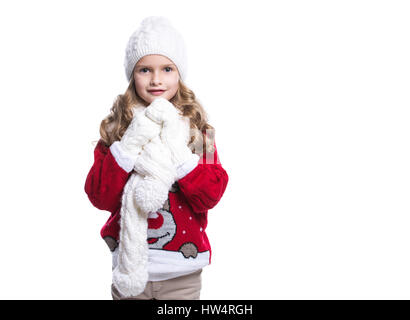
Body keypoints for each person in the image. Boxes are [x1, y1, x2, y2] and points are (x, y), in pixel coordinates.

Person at [84, 16, 229, 300]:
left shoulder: (201, 133)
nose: (156, 79)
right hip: (129, 272)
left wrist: (179, 151)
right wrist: (129, 145)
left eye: (167, 68)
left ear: (179, 74)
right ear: (132, 75)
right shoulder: (116, 131)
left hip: (183, 273)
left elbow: (210, 195)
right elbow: (100, 197)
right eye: (144, 70)